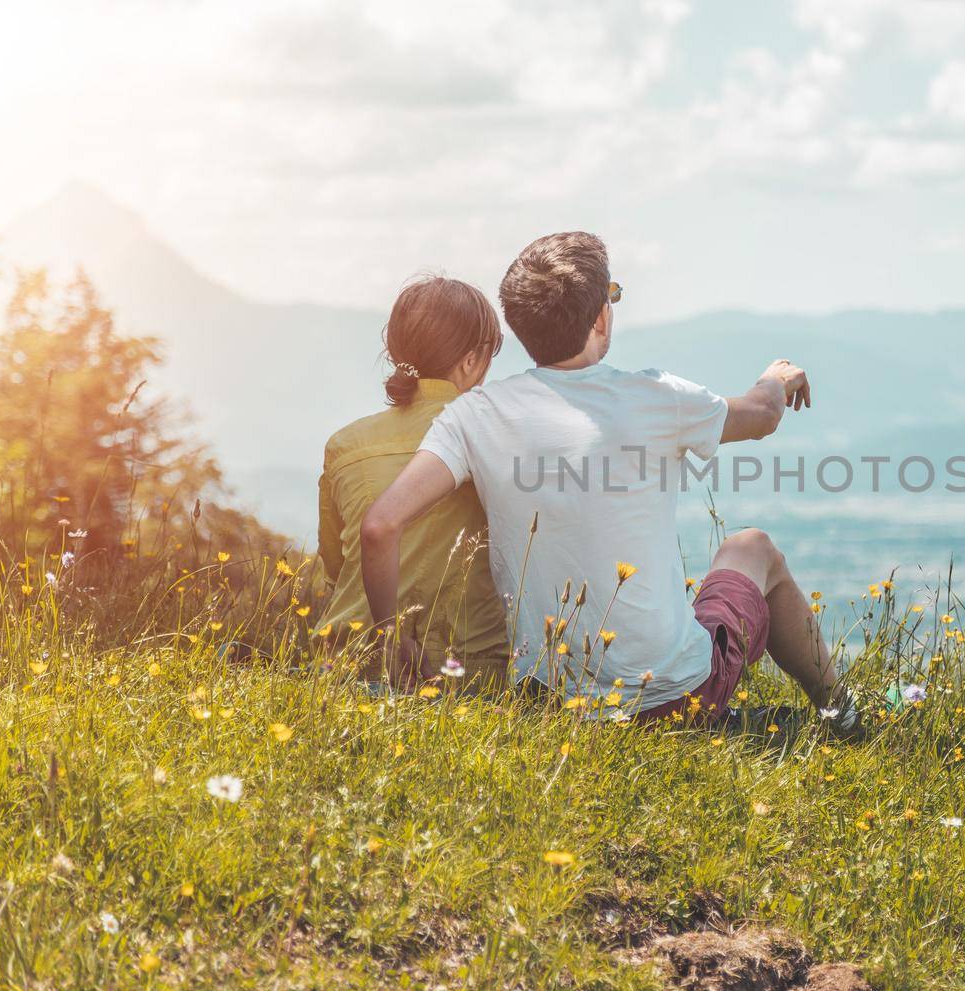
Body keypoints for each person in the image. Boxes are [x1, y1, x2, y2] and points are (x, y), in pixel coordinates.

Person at [359, 232, 859, 733]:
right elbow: (763, 414)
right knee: (753, 547)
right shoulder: (655, 396)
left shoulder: (473, 415)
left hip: (549, 705)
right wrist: (777, 376)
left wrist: (390, 637)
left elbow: (380, 524)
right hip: (676, 697)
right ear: (600, 316)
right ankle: (844, 713)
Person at [316, 275, 508, 689]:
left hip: (347, 666)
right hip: (464, 671)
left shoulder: (345, 445)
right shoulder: (495, 439)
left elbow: (336, 564)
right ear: (472, 361)